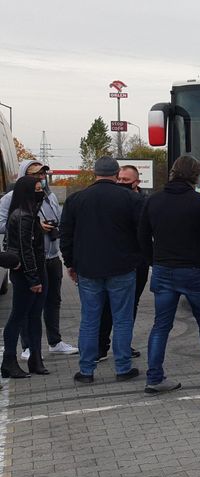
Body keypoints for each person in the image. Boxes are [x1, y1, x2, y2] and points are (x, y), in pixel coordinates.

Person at [138, 155, 200, 394]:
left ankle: (154, 377)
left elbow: (142, 236)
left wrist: (153, 261)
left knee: (161, 326)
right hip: (195, 270)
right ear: (195, 176)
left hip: (164, 270)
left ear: (173, 172)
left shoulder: (153, 201)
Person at [60, 156, 142, 384]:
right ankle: (123, 368)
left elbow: (65, 235)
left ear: (94, 173)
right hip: (122, 268)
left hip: (87, 269)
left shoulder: (76, 200)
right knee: (123, 319)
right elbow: (142, 233)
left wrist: (70, 264)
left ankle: (86, 371)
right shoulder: (130, 199)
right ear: (117, 174)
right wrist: (136, 258)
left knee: (89, 320)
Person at [0, 160, 79, 359]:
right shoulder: (11, 198)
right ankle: (27, 346)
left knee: (53, 301)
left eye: (43, 175)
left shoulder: (49, 196)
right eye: (36, 174)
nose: (41, 178)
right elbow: (2, 224)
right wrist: (35, 226)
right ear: (24, 175)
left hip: (51, 256)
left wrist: (54, 227)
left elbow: (59, 219)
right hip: (29, 259)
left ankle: (55, 341)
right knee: (27, 306)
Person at [96, 164, 147, 361]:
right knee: (107, 306)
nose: (121, 183)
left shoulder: (144, 202)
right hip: (113, 261)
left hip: (137, 262)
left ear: (137, 182)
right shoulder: (111, 201)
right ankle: (102, 346)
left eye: (126, 180)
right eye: (120, 179)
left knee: (131, 305)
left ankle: (124, 345)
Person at [2, 176, 50, 378]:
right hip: (28, 273)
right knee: (19, 317)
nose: (41, 191)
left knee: (34, 316)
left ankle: (35, 358)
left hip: (35, 269)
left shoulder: (28, 213)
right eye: (37, 188)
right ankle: (9, 361)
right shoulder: (24, 215)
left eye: (41, 188)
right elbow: (26, 248)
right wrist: (34, 279)